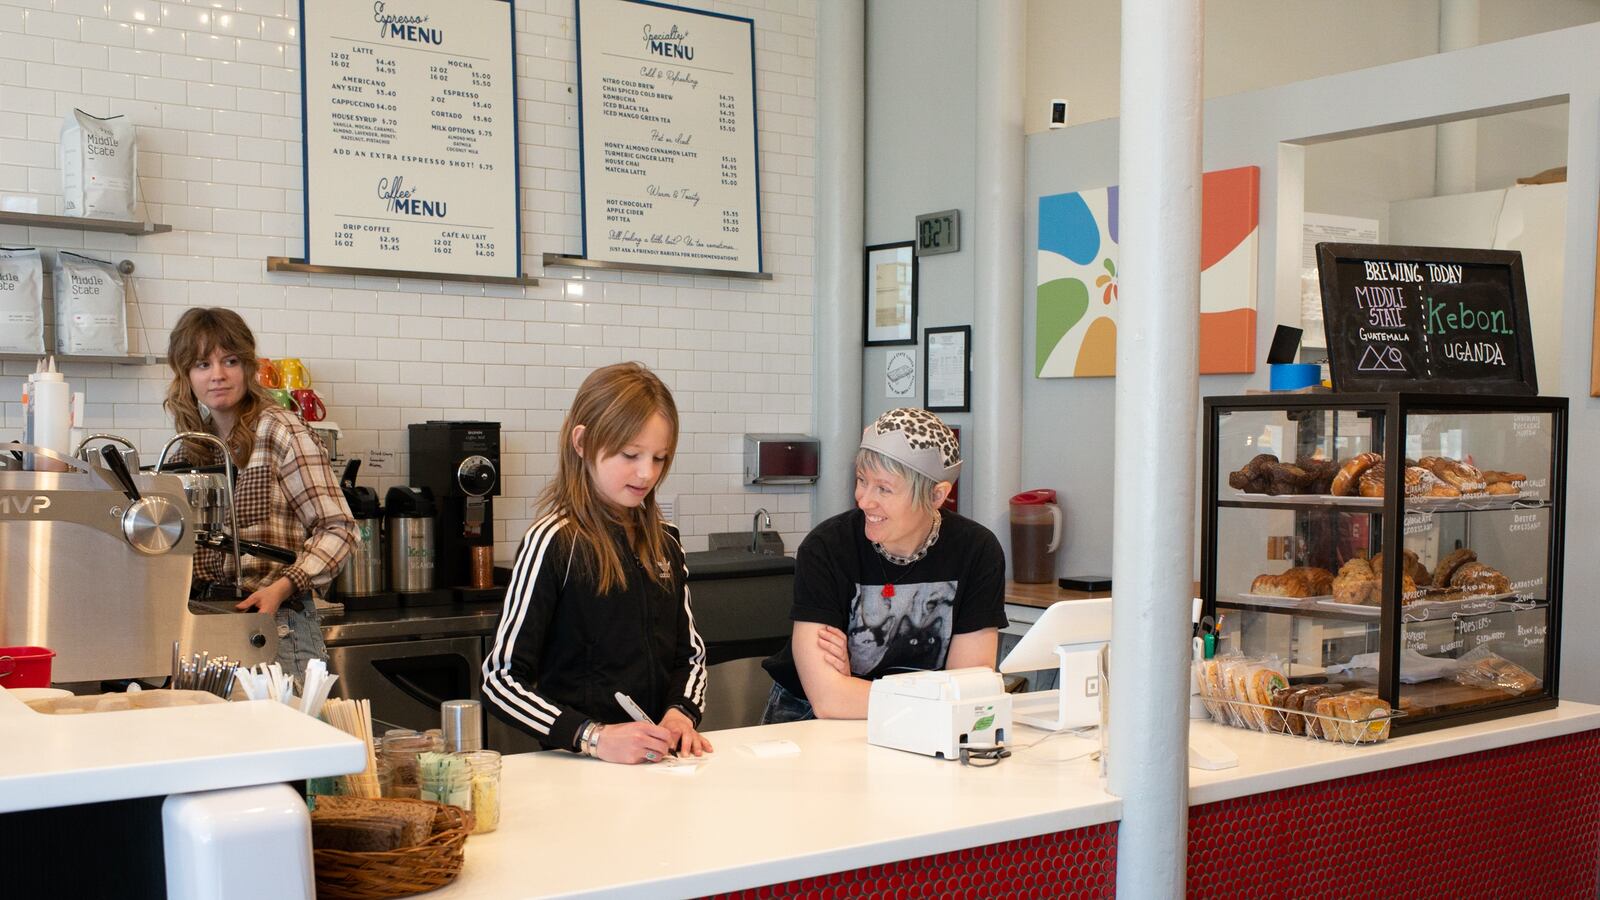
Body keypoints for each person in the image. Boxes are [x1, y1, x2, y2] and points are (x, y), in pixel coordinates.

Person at [483, 362, 710, 764]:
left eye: (659, 458)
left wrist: (681, 713)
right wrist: (593, 737)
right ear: (583, 442)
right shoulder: (552, 541)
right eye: (630, 454)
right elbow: (500, 681)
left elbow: (689, 656)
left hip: (660, 766)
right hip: (578, 769)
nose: (647, 474)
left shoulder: (666, 540)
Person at [761, 408, 1007, 722]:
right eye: (862, 481)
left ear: (936, 495)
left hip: (921, 722)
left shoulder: (976, 551)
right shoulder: (827, 548)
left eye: (884, 489)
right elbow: (829, 700)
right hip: (805, 717)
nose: (864, 500)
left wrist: (855, 687)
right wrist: (940, 694)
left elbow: (970, 686)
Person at [163, 307, 357, 680]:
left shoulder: (280, 430)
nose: (217, 375)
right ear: (186, 376)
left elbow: (338, 529)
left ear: (248, 368)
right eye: (202, 364)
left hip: (276, 624)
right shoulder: (187, 449)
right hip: (202, 628)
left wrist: (283, 588)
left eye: (229, 361)